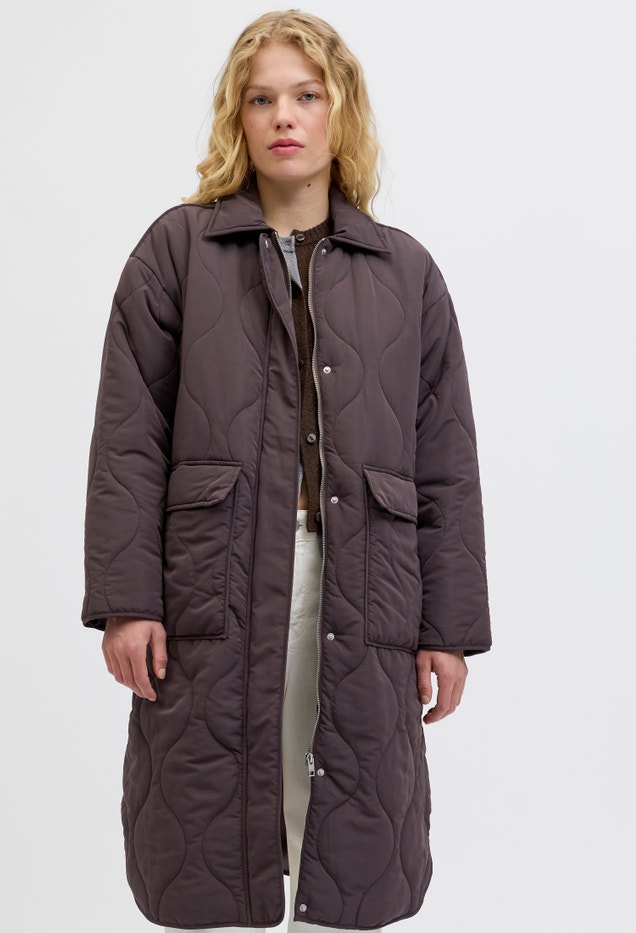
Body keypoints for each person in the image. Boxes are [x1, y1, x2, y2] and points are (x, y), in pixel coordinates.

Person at [81, 9, 491, 932]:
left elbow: (446, 462)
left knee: (346, 817)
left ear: (342, 111)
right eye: (261, 99)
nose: (285, 117)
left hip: (366, 585)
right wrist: (126, 600)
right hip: (215, 580)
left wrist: (449, 628)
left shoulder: (407, 273)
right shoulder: (177, 253)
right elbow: (127, 440)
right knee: (215, 809)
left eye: (307, 96)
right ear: (238, 117)